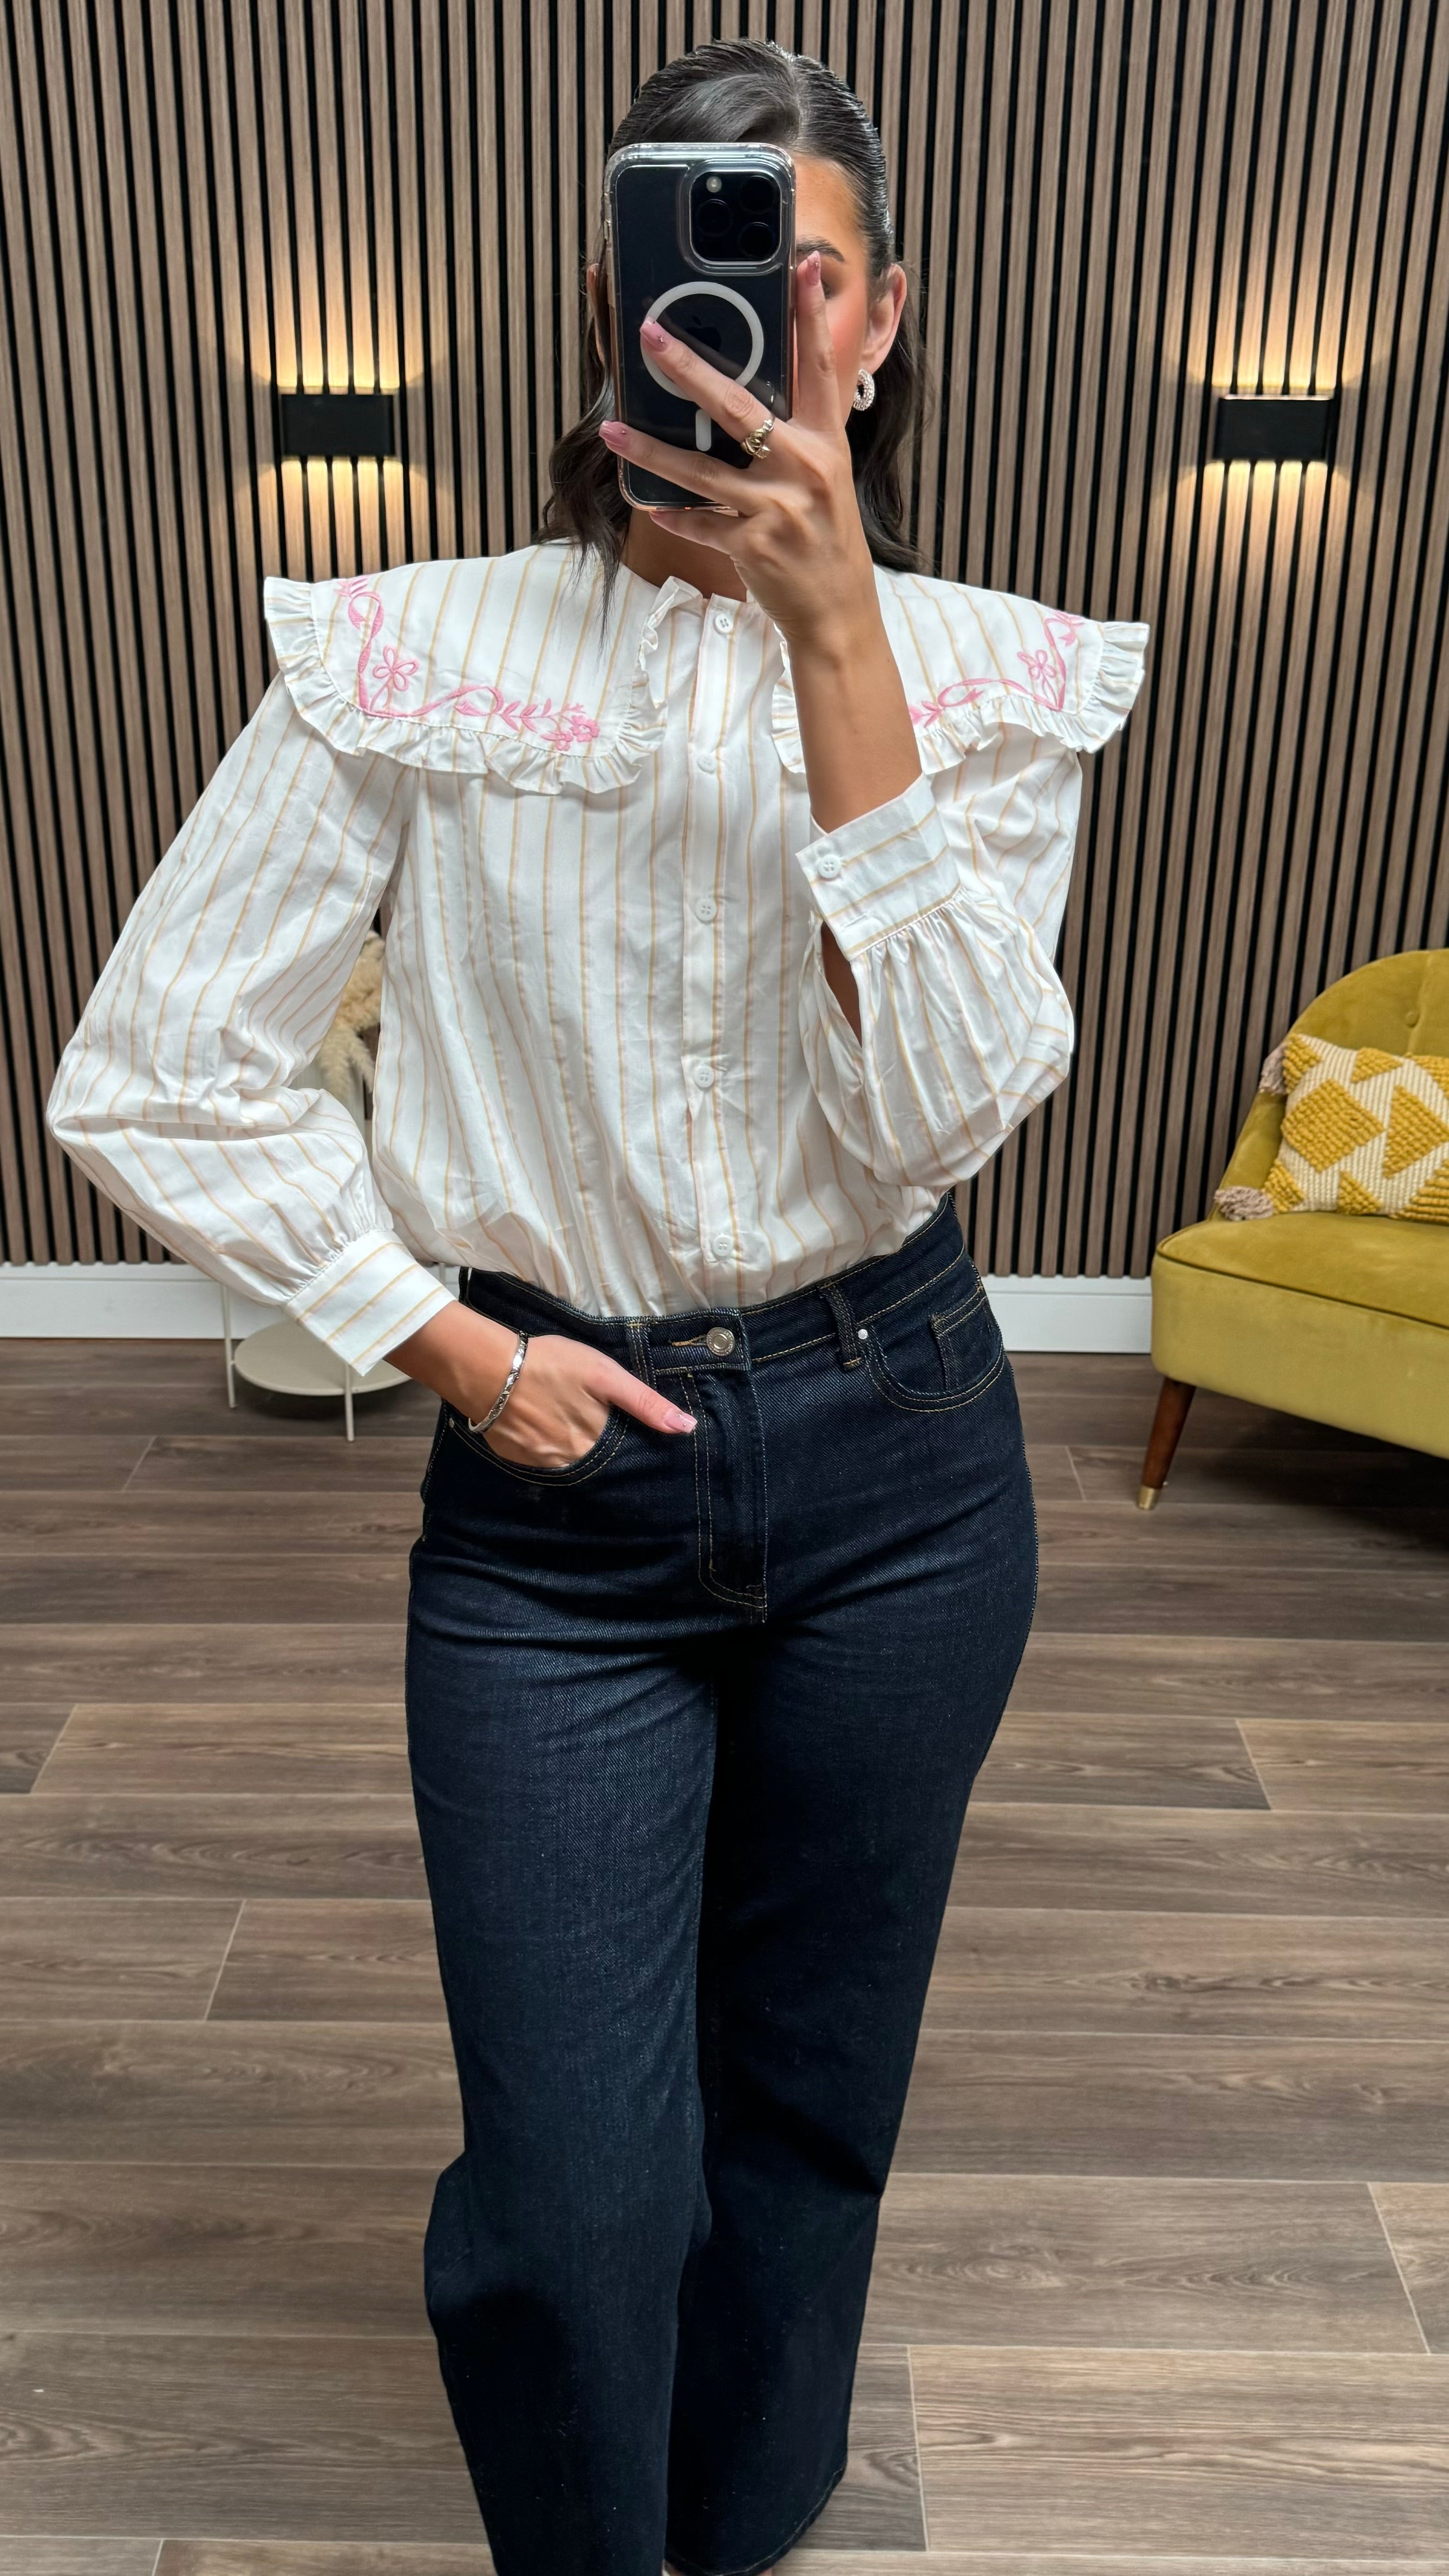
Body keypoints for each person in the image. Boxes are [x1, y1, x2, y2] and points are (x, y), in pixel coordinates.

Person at [48, 36, 1147, 2576]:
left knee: (808, 2102)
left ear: (880, 320)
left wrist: (840, 639)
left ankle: (739, 2518)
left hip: (904, 1457)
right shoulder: (420, 651)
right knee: (568, 2180)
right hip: (558, 1499)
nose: (758, 320)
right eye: (702, 266)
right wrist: (435, 1336)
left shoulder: (993, 677)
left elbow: (944, 1112)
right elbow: (158, 1065)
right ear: (614, 303)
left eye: (812, 269)